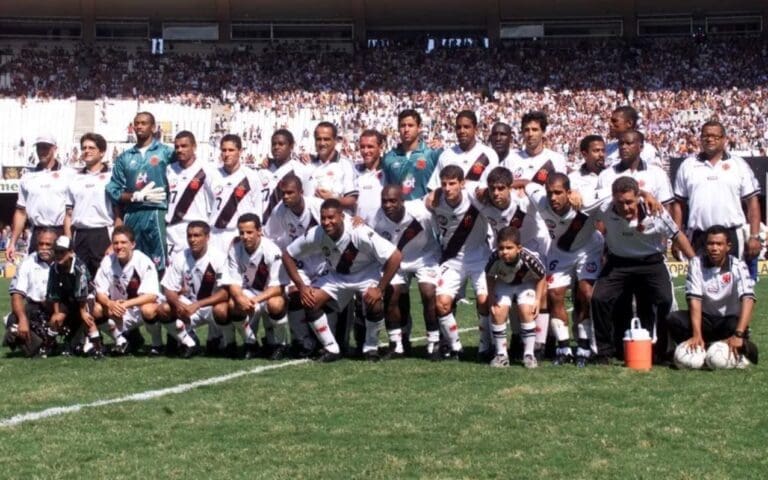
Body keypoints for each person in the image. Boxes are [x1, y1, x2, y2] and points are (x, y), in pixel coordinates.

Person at [588, 177, 695, 363]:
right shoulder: (604, 208)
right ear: (613, 199)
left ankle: (663, 350)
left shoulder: (656, 212)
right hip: (618, 263)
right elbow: (582, 204)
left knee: (666, 300)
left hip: (651, 263)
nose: (625, 207)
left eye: (629, 202)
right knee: (599, 298)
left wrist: (695, 263)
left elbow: (677, 235)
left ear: (638, 198)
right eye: (620, 203)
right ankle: (603, 352)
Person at [282, 199, 402, 362]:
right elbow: (288, 255)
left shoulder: (359, 232)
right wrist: (302, 287)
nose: (326, 222)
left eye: (331, 218)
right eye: (323, 218)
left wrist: (379, 289)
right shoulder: (317, 233)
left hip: (366, 274)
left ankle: (370, 347)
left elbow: (395, 256)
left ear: (342, 216)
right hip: (337, 275)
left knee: (374, 303)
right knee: (310, 300)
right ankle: (331, 348)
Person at [526, 173, 604, 367]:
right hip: (560, 252)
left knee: (586, 293)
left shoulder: (585, 201)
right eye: (550, 192)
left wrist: (645, 195)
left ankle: (584, 345)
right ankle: (563, 347)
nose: (553, 198)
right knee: (554, 295)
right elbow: (527, 184)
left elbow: (614, 192)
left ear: (569, 193)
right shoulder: (541, 199)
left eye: (558, 193)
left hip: (588, 249)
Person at [667, 225, 758, 367]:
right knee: (674, 319)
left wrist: (739, 334)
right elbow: (694, 300)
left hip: (728, 321)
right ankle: (698, 348)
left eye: (719, 244)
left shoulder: (738, 266)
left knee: (735, 325)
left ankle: (739, 347)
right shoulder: (696, 264)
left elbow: (748, 299)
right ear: (705, 245)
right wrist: (697, 333)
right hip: (706, 321)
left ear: (728, 246)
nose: (714, 248)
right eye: (710, 243)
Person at [367, 185, 441, 358]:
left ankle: (434, 342)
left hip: (425, 256)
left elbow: (443, 223)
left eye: (393, 201)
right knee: (392, 295)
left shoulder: (421, 212)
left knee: (428, 293)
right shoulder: (375, 218)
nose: (388, 205)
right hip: (396, 261)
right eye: (384, 201)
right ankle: (397, 345)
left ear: (402, 201)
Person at [671, 121, 762, 261]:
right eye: (705, 136)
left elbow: (752, 201)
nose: (709, 139)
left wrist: (754, 236)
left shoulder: (739, 165)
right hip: (699, 236)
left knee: (732, 281)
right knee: (699, 281)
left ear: (724, 139)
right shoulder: (687, 165)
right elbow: (678, 205)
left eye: (715, 136)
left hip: (731, 235)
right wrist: (677, 237)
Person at [430, 165, 492, 360]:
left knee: (484, 301)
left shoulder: (475, 199)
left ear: (462, 183)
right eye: (444, 184)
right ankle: (456, 347)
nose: (448, 188)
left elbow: (489, 194)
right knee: (441, 304)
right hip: (453, 260)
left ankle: (485, 345)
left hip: (479, 257)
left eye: (452, 183)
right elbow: (421, 204)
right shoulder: (435, 201)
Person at [264, 174, 325, 357]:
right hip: (299, 262)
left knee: (323, 299)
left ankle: (328, 340)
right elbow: (269, 235)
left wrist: (356, 220)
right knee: (295, 294)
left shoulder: (317, 206)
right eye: (283, 193)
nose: (286, 197)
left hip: (324, 260)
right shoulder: (280, 211)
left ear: (301, 192)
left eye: (290, 193)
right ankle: (302, 340)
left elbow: (341, 220)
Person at [106, 112, 174, 272]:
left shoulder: (166, 152)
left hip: (156, 212)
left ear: (153, 127)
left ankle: (157, 295)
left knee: (159, 261)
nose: (139, 127)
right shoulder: (124, 157)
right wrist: (134, 196)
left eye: (143, 123)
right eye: (136, 123)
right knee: (132, 259)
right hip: (132, 213)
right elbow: (113, 189)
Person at [150, 221, 228, 358]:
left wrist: (197, 305)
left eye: (197, 235)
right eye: (189, 236)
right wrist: (178, 304)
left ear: (207, 237)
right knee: (163, 309)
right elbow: (168, 288)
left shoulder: (218, 257)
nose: (192, 240)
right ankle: (189, 340)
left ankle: (225, 340)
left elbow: (225, 292)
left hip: (211, 306)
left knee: (222, 311)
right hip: (188, 306)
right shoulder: (180, 257)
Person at [221, 214, 288, 360]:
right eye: (241, 232)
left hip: (269, 293)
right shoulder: (235, 249)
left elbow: (279, 287)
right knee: (234, 303)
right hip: (249, 292)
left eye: (249, 232)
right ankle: (250, 343)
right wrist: (239, 298)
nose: (245, 236)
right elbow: (233, 281)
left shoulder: (272, 250)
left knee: (275, 304)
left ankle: (280, 344)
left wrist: (256, 300)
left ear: (259, 231)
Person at [92, 226, 161, 355]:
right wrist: (110, 303)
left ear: (133, 244)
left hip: (138, 310)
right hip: (118, 309)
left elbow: (151, 295)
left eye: (123, 242)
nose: (119, 246)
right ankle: (121, 340)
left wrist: (126, 304)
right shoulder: (107, 261)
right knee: (96, 309)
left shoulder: (143, 261)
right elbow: (99, 292)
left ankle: (157, 344)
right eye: (116, 243)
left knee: (149, 309)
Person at [485, 226, 546, 368]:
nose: (504, 252)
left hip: (525, 283)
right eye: (501, 248)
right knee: (498, 311)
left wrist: (537, 300)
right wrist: (491, 298)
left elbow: (542, 276)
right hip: (504, 283)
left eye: (509, 247)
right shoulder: (494, 258)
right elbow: (489, 276)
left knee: (527, 310)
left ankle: (529, 355)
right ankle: (501, 355)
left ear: (519, 248)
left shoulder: (529, 258)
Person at [7, 134, 74, 261]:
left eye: (46, 147)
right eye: (39, 148)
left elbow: (70, 211)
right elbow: (21, 212)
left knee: (61, 275)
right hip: (37, 232)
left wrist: (69, 239)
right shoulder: (27, 177)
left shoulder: (68, 174)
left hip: (60, 230)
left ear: (54, 148)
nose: (42, 151)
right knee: (35, 274)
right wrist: (12, 242)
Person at [64, 132, 117, 277]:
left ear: (102, 152)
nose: (86, 151)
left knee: (104, 279)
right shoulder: (74, 179)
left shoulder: (111, 177)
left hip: (102, 233)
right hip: (80, 234)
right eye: (84, 148)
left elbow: (119, 213)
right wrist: (69, 241)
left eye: (91, 148)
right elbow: (68, 214)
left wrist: (114, 242)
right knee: (78, 280)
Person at [46, 235, 102, 358]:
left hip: (86, 296)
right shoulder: (54, 268)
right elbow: (53, 291)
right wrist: (56, 312)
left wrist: (82, 311)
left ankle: (97, 348)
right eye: (56, 252)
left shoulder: (79, 267)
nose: (59, 255)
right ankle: (47, 347)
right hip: (68, 296)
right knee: (56, 319)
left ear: (71, 252)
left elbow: (82, 291)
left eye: (62, 252)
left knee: (88, 319)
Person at [4, 229, 57, 357]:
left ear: (56, 245)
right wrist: (22, 320)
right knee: (13, 319)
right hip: (36, 307)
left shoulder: (64, 260)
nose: (44, 248)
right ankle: (38, 345)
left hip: (61, 307)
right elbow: (16, 295)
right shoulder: (27, 263)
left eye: (48, 244)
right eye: (41, 244)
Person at [208, 134, 264, 252]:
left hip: (238, 235)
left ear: (240, 151)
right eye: (224, 150)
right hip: (214, 234)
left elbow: (257, 209)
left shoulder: (251, 176)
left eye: (231, 150)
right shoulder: (212, 175)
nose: (227, 154)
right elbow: (206, 207)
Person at [596, 130, 673, 211]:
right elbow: (600, 208)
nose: (623, 147)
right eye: (621, 144)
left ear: (641, 147)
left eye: (629, 143)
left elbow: (666, 206)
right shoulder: (606, 175)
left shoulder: (657, 174)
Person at [165, 131, 213, 257]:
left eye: (184, 146)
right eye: (177, 147)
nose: (180, 150)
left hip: (195, 230)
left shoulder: (206, 170)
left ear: (194, 147)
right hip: (172, 231)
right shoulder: (169, 169)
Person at [427, 110, 498, 192]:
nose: (462, 131)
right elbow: (434, 188)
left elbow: (497, 186)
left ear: (476, 129)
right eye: (458, 127)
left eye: (466, 127)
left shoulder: (489, 154)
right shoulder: (446, 155)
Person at [381, 109, 442, 200]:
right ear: (398, 128)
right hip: (400, 212)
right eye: (402, 126)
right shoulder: (389, 158)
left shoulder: (432, 153)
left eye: (410, 125)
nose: (406, 129)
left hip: (426, 212)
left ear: (419, 127)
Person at [502, 111, 567, 187]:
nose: (530, 134)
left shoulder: (556, 159)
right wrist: (523, 182)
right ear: (522, 132)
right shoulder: (510, 158)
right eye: (527, 130)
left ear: (543, 132)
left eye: (535, 129)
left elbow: (561, 189)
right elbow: (501, 186)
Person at [260, 129, 312, 223]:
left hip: (289, 227)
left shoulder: (301, 170)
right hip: (263, 226)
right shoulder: (263, 170)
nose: (276, 147)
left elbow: (309, 200)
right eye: (274, 144)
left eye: (281, 144)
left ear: (291, 146)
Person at [307, 122, 358, 211]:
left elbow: (352, 200)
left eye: (326, 139)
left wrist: (332, 200)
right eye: (319, 139)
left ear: (335, 141)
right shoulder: (307, 163)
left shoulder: (345, 165)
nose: (322, 143)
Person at [354, 129, 386, 223]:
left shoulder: (389, 171)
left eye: (370, 147)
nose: (365, 151)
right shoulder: (354, 171)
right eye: (362, 147)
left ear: (380, 147)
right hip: (360, 229)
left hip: (384, 230)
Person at [568, 135, 607, 207]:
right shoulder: (572, 180)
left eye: (603, 150)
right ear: (585, 154)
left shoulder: (612, 174)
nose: (601, 154)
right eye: (596, 151)